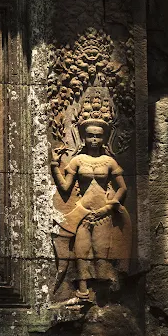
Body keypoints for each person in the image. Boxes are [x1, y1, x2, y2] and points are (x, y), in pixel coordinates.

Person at [51, 116, 131, 300]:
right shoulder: (78, 161)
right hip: (82, 211)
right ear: (83, 138)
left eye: (98, 136)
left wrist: (110, 207)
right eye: (90, 136)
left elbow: (122, 188)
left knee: (101, 250)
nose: (94, 140)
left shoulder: (108, 161)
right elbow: (65, 187)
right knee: (81, 249)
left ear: (104, 138)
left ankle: (102, 294)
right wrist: (55, 164)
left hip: (103, 212)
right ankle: (82, 291)